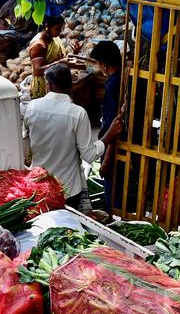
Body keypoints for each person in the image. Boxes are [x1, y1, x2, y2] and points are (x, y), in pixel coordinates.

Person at [23, 63, 122, 211]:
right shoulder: (78, 113)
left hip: (38, 185)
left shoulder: (32, 107)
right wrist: (110, 134)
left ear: (49, 86)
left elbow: (25, 143)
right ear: (71, 86)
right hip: (67, 190)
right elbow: (89, 155)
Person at [87, 39, 123, 211]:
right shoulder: (123, 78)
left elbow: (114, 126)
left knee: (113, 193)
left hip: (114, 150)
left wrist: (106, 160)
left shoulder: (113, 85)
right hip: (124, 148)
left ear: (104, 64)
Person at [28, 14, 69, 99]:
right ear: (47, 26)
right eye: (57, 29)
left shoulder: (53, 38)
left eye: (60, 29)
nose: (59, 32)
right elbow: (38, 70)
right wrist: (59, 63)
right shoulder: (39, 45)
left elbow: (60, 56)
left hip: (54, 82)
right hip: (43, 87)